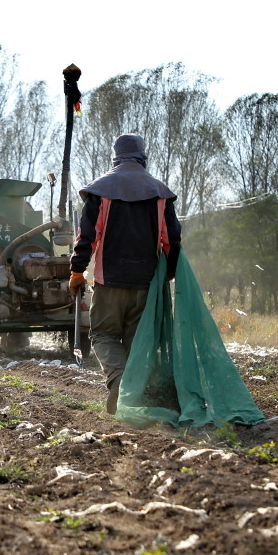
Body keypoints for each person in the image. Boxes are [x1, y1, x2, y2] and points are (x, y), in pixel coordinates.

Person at [68, 134, 182, 414]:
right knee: (136, 341)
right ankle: (133, 394)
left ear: (115, 156)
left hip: (109, 282)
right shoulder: (160, 193)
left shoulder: (102, 190)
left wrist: (77, 270)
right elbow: (172, 240)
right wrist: (168, 273)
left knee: (104, 335)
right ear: (143, 156)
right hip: (146, 283)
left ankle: (118, 382)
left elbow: (87, 236)